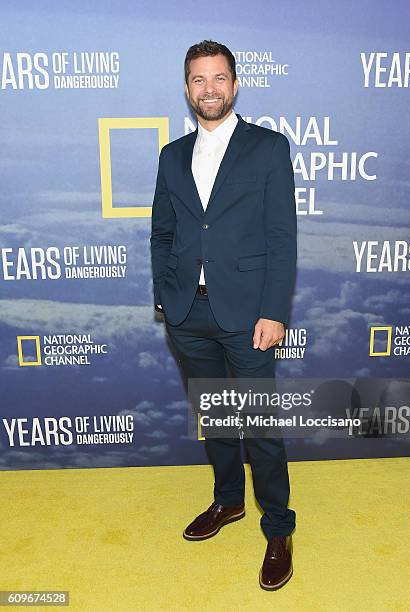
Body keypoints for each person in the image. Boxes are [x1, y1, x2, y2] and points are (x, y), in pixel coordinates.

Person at [150, 39, 297, 591]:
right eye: (197, 80)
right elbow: (162, 233)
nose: (208, 89)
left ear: (235, 85)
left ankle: (279, 528)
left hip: (249, 316)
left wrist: (274, 311)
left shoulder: (267, 148)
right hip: (190, 314)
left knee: (259, 425)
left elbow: (283, 238)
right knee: (215, 419)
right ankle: (228, 502)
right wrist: (167, 298)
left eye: (218, 79)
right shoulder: (170, 156)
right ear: (187, 89)